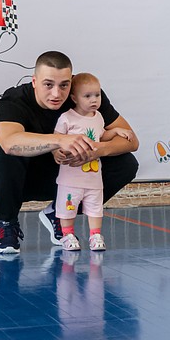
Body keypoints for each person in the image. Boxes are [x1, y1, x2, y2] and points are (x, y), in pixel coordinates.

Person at [0, 51, 140, 254]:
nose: (56, 94)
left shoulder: (83, 95)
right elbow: (9, 142)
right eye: (48, 85)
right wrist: (60, 140)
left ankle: (59, 213)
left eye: (64, 85)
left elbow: (131, 140)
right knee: (2, 152)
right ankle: (7, 223)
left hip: (68, 175)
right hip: (22, 179)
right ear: (34, 81)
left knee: (126, 163)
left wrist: (97, 150)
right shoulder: (15, 99)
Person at [52, 73, 134, 252]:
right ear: (74, 98)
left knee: (96, 208)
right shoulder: (67, 118)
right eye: (87, 96)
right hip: (71, 179)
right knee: (68, 208)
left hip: (94, 178)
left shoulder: (98, 117)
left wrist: (116, 131)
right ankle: (67, 235)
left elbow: (102, 136)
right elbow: (56, 139)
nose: (94, 100)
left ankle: (95, 235)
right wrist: (55, 152)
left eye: (97, 95)